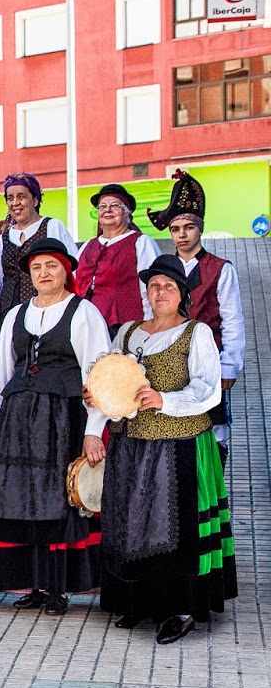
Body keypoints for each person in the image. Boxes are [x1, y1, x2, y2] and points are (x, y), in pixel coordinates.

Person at [98, 255, 236, 643]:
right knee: (131, 522)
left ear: (183, 295)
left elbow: (207, 390)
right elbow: (110, 376)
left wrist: (164, 400)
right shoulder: (127, 332)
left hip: (178, 445)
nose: (160, 291)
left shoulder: (196, 333)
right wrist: (97, 395)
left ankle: (179, 609)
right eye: (154, 285)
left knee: (171, 526)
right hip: (130, 443)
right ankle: (138, 601)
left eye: (169, 286)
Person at [0, 237, 109, 616]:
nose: (44, 273)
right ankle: (34, 583)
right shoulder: (16, 314)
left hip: (63, 418)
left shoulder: (83, 312)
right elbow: (0, 374)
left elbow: (97, 373)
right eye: (37, 267)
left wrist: (92, 430)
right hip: (18, 419)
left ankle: (58, 587)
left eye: (51, 265)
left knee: (57, 499)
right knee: (22, 498)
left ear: (65, 270)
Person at [149, 170, 243, 458]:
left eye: (188, 228)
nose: (182, 235)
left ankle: (212, 497)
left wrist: (230, 364)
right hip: (169, 358)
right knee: (172, 426)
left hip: (208, 358)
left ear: (199, 228)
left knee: (212, 430)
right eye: (176, 230)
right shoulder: (162, 269)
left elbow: (233, 319)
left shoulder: (220, 268)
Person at [0, 172, 76, 351]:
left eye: (21, 197)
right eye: (10, 198)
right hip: (9, 310)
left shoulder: (51, 226)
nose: (15, 203)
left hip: (47, 307)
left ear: (35, 200)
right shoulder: (5, 237)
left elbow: (72, 268)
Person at [76, 184, 159, 330]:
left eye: (115, 205)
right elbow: (73, 285)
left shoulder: (141, 242)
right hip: (88, 325)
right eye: (102, 206)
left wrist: (150, 325)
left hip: (125, 325)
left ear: (127, 213)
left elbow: (152, 288)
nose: (107, 210)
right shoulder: (87, 246)